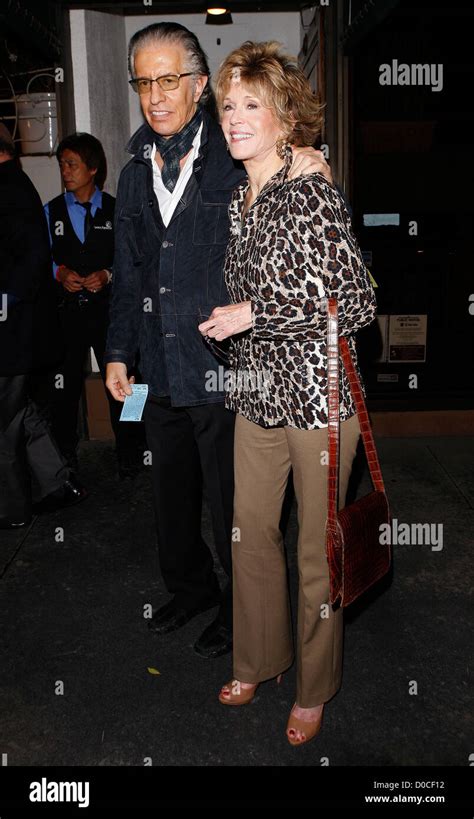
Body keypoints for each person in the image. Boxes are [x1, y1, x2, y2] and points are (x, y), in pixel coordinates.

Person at [105, 22, 333, 659]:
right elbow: (128, 272)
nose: (156, 94)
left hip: (227, 367)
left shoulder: (235, 159)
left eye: (170, 79)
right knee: (168, 493)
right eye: (144, 81)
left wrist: (304, 155)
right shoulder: (131, 174)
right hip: (155, 363)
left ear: (199, 85)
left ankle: (243, 608)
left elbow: (284, 175)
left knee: (235, 503)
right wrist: (118, 352)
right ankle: (191, 587)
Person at [198, 41, 377, 743]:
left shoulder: (310, 189)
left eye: (253, 105)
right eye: (230, 105)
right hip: (259, 392)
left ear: (286, 119)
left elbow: (356, 299)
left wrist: (255, 313)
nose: (237, 117)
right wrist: (234, 320)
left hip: (320, 399)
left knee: (314, 549)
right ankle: (260, 655)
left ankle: (314, 683)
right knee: (249, 531)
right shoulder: (245, 196)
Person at [0, 124, 87, 528]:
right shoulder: (35, 197)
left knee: (6, 422)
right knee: (35, 408)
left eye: (72, 164)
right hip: (44, 325)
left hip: (24, 332)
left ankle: (14, 509)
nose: (65, 171)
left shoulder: (11, 191)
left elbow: (30, 261)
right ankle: (60, 479)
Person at [44, 133, 144, 479]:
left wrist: (108, 274)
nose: (65, 172)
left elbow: (137, 260)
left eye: (71, 164)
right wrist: (60, 273)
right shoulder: (51, 211)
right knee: (63, 386)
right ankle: (64, 457)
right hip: (67, 315)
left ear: (93, 169)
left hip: (112, 313)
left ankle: (134, 449)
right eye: (62, 165)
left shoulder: (118, 211)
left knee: (131, 380)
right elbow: (39, 259)